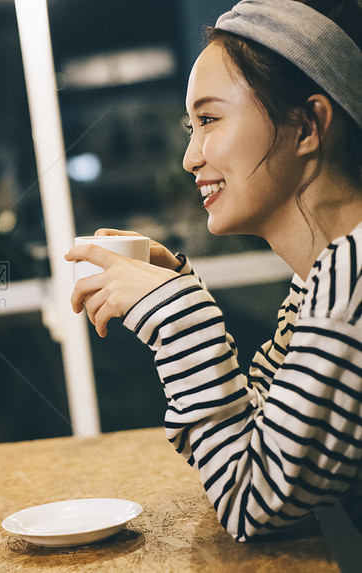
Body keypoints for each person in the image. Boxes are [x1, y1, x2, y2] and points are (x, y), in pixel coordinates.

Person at [67, 0, 362, 542]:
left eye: (208, 120)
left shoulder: (353, 277)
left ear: (307, 126)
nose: (190, 157)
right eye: (190, 126)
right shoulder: (319, 279)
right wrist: (179, 292)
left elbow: (256, 502)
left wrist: (179, 319)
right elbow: (259, 437)